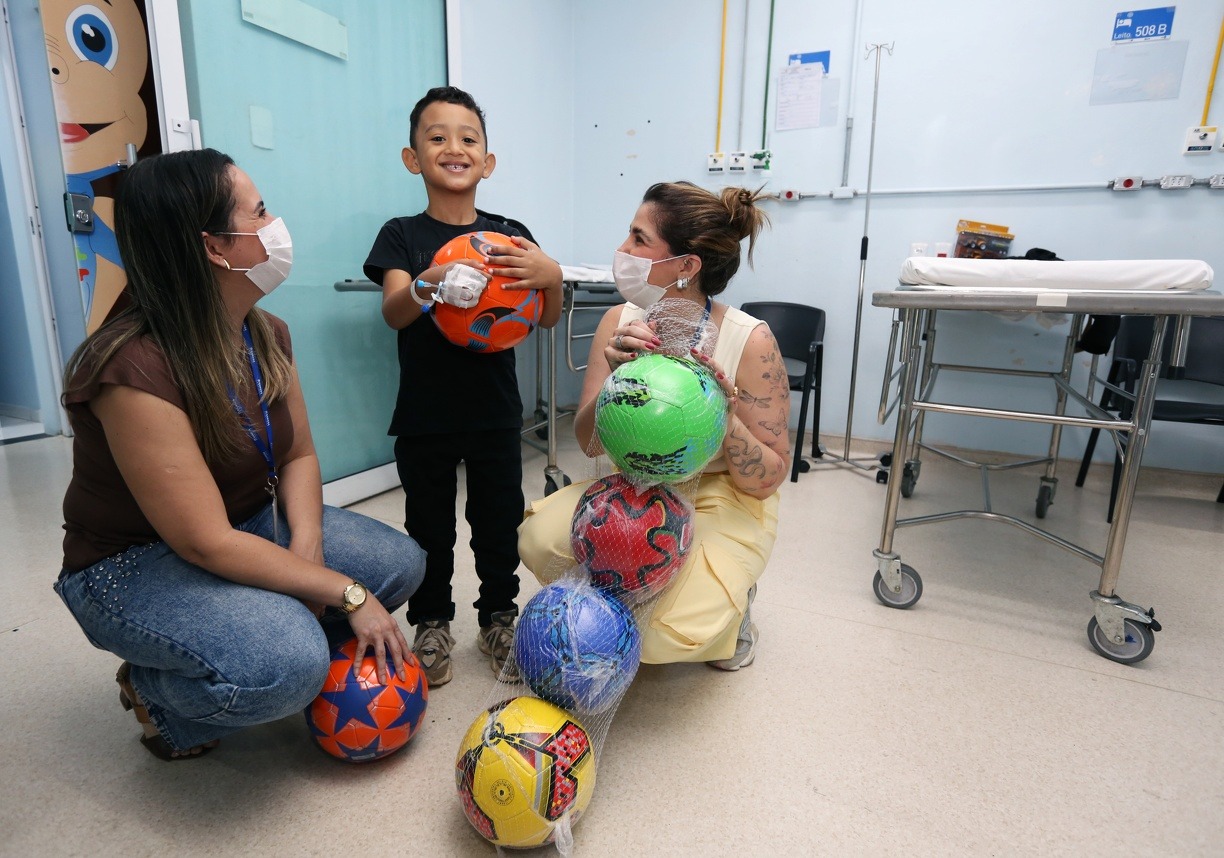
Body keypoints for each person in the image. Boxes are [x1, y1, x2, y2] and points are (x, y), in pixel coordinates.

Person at [54, 148, 426, 761]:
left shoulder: (264, 330)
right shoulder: (132, 369)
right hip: (134, 563)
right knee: (286, 665)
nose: (275, 224)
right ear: (215, 248)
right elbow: (203, 541)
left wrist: (309, 556)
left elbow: (300, 455)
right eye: (259, 213)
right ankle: (155, 696)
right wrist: (345, 594)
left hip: (244, 521)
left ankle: (269, 627)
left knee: (400, 564)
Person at [517, 181, 789, 670]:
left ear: (686, 266)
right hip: (636, 487)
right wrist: (614, 386)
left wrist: (720, 415)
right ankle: (632, 590)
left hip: (719, 492)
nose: (622, 251)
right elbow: (590, 444)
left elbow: (768, 478)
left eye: (639, 240)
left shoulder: (751, 340)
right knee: (538, 539)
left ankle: (735, 605)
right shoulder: (620, 323)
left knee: (667, 635)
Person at [363, 86, 564, 686]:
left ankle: (499, 616)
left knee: (497, 519)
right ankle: (430, 621)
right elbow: (395, 311)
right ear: (412, 157)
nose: (454, 147)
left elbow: (546, 317)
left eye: (468, 138)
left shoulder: (510, 235)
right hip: (425, 412)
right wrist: (430, 282)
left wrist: (551, 276)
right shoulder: (401, 235)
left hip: (496, 410)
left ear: (488, 161)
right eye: (437, 136)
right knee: (429, 525)